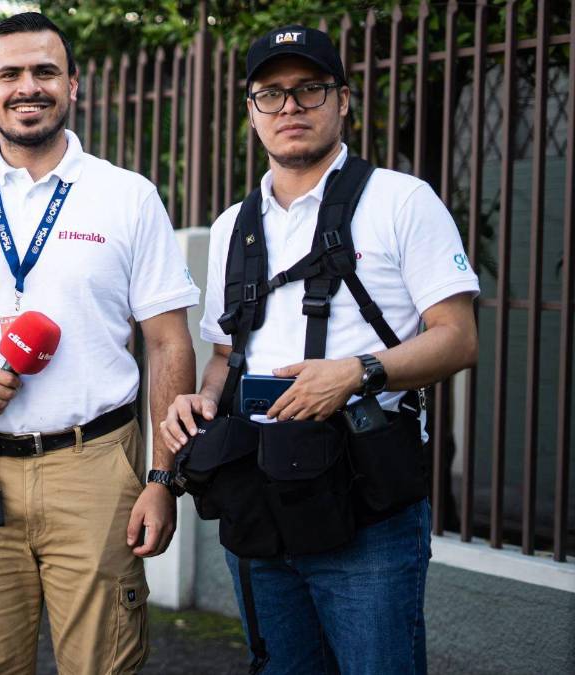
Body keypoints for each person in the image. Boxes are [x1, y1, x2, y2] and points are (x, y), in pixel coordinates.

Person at [0, 13, 199, 674]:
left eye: (45, 71)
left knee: (104, 662)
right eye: (10, 74)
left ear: (73, 85)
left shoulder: (127, 196)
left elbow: (170, 344)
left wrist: (164, 477)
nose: (29, 87)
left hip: (96, 466)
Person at [161, 25, 479, 675]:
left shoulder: (401, 201)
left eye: (309, 90)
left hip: (366, 500)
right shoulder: (233, 225)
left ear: (344, 100)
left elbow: (458, 335)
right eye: (270, 95)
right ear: (251, 110)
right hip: (258, 491)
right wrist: (202, 400)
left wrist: (360, 371)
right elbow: (227, 353)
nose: (290, 109)